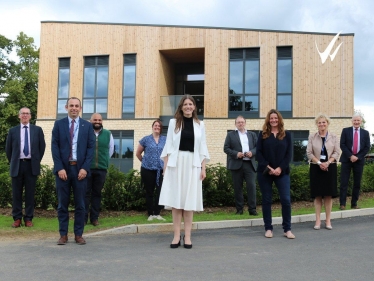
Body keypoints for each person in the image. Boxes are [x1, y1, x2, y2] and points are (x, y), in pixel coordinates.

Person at [159, 95, 210, 249]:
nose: (188, 106)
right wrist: (165, 167)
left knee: (189, 203)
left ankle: (187, 236)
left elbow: (202, 147)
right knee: (176, 202)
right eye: (185, 104)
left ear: (194, 107)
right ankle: (176, 236)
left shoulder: (200, 124)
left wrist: (203, 168)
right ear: (181, 107)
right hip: (176, 164)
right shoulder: (174, 122)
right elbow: (168, 145)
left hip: (193, 164)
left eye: (191, 104)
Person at [52, 97, 95, 245]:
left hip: (80, 170)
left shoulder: (87, 126)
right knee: (62, 205)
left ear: (80, 108)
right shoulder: (58, 125)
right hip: (63, 170)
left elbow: (91, 149)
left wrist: (85, 168)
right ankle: (63, 235)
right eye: (71, 106)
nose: (74, 108)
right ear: (66, 107)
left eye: (77, 106)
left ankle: (78, 234)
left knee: (81, 205)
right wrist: (59, 168)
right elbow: (55, 148)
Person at [256, 109, 295, 239]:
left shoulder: (287, 135)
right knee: (266, 200)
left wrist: (279, 168)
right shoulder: (262, 135)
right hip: (265, 172)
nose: (273, 120)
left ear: (279, 120)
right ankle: (268, 228)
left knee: (286, 200)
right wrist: (268, 167)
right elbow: (259, 154)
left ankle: (287, 229)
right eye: (271, 118)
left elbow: (289, 154)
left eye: (276, 118)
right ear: (268, 120)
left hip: (282, 172)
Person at [5, 107, 46, 228]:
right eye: (22, 113)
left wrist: (36, 161)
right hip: (17, 165)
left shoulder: (37, 130)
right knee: (16, 194)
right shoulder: (12, 131)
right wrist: (13, 161)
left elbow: (41, 148)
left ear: (30, 116)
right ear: (19, 116)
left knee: (30, 194)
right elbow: (8, 150)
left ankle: (28, 218)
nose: (25, 115)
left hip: (31, 165)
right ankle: (17, 218)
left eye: (27, 114)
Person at [306, 114, 340, 230]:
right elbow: (309, 153)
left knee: (328, 195)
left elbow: (336, 152)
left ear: (327, 123)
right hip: (316, 167)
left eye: (323, 122)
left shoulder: (334, 136)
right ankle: (318, 221)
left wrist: (328, 162)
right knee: (318, 196)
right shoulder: (312, 137)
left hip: (330, 167)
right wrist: (320, 163)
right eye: (319, 123)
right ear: (317, 124)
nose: (322, 124)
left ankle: (328, 220)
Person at [224, 116, 258, 216]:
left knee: (251, 187)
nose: (240, 124)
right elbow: (226, 148)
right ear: (235, 124)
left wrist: (252, 152)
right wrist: (236, 154)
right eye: (238, 122)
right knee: (237, 188)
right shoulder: (230, 135)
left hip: (249, 164)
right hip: (236, 164)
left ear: (245, 123)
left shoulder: (252, 134)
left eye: (242, 122)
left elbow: (258, 147)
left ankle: (252, 210)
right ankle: (239, 210)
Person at [84, 113, 114, 226]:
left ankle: (94, 218)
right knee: (85, 194)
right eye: (95, 120)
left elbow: (110, 150)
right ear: (90, 121)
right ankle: (83, 218)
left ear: (102, 121)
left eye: (99, 120)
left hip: (101, 169)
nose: (97, 121)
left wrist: (104, 160)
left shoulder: (108, 134)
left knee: (97, 194)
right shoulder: (86, 132)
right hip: (87, 169)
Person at [136, 119, 167, 221]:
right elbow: (138, 154)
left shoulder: (165, 140)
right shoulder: (146, 139)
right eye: (155, 125)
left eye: (159, 126)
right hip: (147, 170)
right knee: (149, 191)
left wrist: (165, 167)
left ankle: (157, 213)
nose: (157, 127)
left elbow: (167, 155)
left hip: (161, 170)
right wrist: (145, 162)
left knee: (160, 192)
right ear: (152, 127)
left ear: (161, 128)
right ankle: (150, 214)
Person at [339, 113, 370, 210]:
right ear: (352, 121)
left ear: (361, 122)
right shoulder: (345, 131)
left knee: (357, 183)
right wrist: (350, 156)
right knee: (344, 182)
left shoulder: (365, 133)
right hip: (346, 159)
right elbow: (342, 144)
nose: (356, 122)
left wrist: (358, 157)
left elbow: (367, 147)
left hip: (359, 160)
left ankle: (354, 203)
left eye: (358, 120)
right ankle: (342, 204)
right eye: (354, 120)